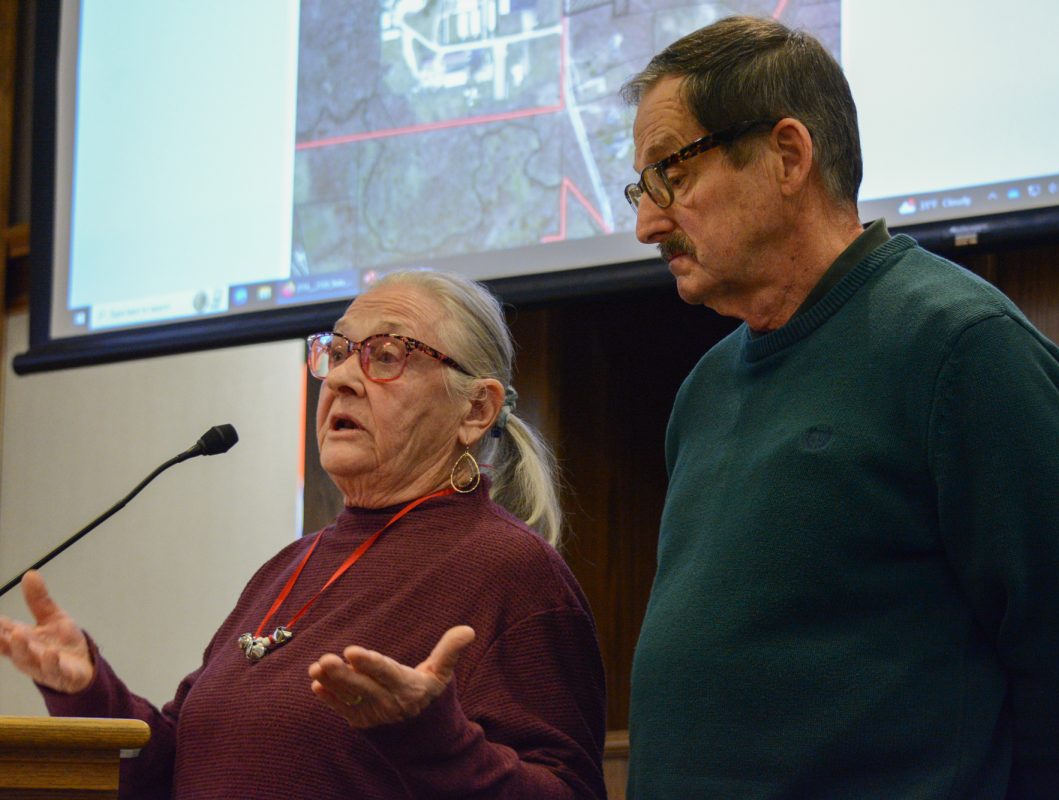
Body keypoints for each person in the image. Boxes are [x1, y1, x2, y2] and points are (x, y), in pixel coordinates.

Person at [620, 16, 1059, 800]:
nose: (646, 223)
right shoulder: (703, 389)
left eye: (671, 174)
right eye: (642, 189)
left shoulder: (963, 348)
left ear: (788, 156)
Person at [0, 270, 607, 799]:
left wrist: (434, 740)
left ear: (475, 410)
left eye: (387, 354)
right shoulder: (288, 567)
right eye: (337, 351)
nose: (341, 377)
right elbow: (174, 772)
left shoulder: (512, 571)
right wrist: (88, 691)